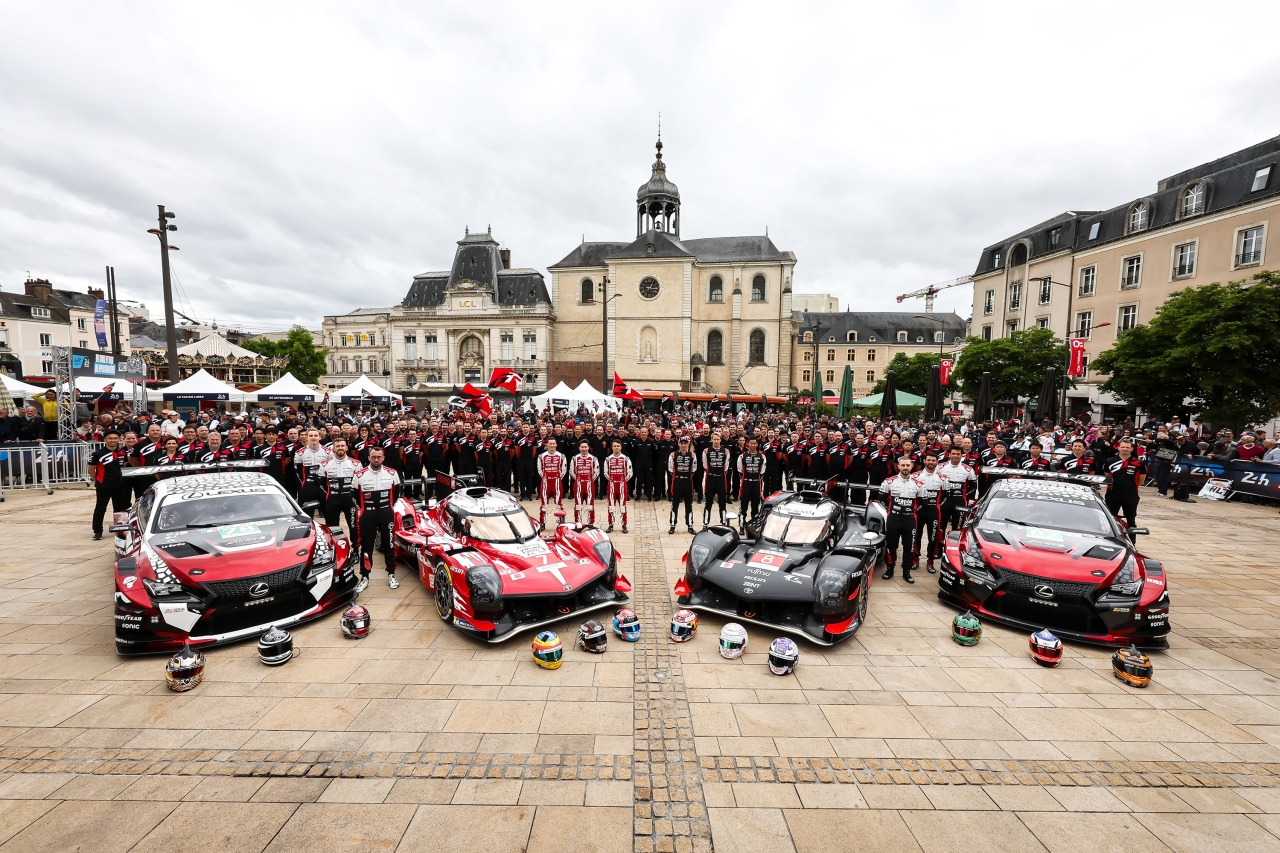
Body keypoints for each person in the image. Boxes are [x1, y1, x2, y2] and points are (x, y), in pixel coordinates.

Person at [352, 446, 401, 592]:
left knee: (390, 545)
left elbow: (397, 492)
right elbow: (354, 495)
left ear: (383, 458)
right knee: (366, 546)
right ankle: (365, 576)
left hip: (387, 513)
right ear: (368, 458)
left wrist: (390, 507)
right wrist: (362, 510)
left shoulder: (392, 473)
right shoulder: (359, 475)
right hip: (368, 515)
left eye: (379, 457)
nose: (376, 459)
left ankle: (391, 574)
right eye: (373, 457)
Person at [879, 456, 922, 584]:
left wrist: (911, 512)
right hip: (893, 519)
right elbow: (881, 498)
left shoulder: (918, 484)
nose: (905, 468)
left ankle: (906, 571)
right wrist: (890, 511)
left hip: (910, 520)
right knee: (891, 545)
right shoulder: (889, 481)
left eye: (907, 465)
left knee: (909, 547)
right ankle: (890, 569)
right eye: (902, 465)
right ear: (898, 466)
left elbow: (922, 502)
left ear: (911, 466)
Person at [88, 430, 131, 540]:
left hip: (120, 485)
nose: (113, 440)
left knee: (120, 508)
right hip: (104, 485)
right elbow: (91, 469)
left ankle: (121, 530)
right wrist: (97, 480)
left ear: (119, 439)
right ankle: (97, 531)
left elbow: (124, 466)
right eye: (110, 438)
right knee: (100, 508)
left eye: (115, 438)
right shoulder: (97, 454)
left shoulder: (122, 453)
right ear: (105, 439)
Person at [912, 451, 943, 574]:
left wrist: (938, 508)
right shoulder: (915, 476)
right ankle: (915, 558)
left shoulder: (942, 478)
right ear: (924, 461)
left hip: (934, 512)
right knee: (916, 535)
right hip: (919, 512)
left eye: (933, 460)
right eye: (928, 460)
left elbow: (946, 495)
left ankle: (930, 561)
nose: (930, 462)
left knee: (933, 537)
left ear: (937, 462)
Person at [321, 438, 360, 537]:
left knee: (354, 525)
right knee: (332, 526)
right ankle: (335, 548)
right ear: (333, 448)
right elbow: (321, 483)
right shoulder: (324, 464)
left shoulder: (356, 463)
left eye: (342, 446)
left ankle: (355, 549)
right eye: (337, 446)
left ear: (346, 448)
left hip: (350, 499)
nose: (340, 448)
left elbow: (359, 485)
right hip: (332, 499)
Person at [1104, 439, 1146, 529]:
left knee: (1130, 519)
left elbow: (1141, 480)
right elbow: (1107, 477)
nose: (1125, 449)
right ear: (1118, 448)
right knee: (1109, 518)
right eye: (1123, 447)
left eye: (1127, 447)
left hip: (1130, 494)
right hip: (1113, 494)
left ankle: (1131, 542)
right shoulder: (1109, 461)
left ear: (1131, 449)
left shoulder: (1139, 463)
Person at [937, 446, 977, 535]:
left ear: (961, 455)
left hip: (960, 502)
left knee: (958, 528)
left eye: (958, 454)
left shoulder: (968, 469)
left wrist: (966, 497)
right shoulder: (940, 467)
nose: (955, 456)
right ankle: (939, 548)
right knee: (941, 526)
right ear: (949, 455)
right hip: (944, 501)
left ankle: (955, 548)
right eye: (953, 454)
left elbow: (974, 486)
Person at [668, 435, 697, 535]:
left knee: (689, 505)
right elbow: (671, 469)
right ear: (679, 444)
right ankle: (672, 525)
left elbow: (694, 469)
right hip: (676, 482)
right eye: (682, 443)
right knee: (674, 505)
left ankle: (690, 526)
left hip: (688, 482)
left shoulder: (692, 455)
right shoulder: (673, 455)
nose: (683, 445)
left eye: (685, 443)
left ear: (688, 444)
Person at [701, 432, 730, 528]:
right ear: (711, 440)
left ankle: (723, 523)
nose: (716, 441)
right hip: (710, 479)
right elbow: (705, 465)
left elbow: (726, 466)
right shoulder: (706, 451)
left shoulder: (726, 451)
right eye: (714, 439)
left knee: (722, 503)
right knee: (708, 503)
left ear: (720, 440)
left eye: (718, 439)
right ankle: (705, 524)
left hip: (721, 479)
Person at [537, 436, 567, 528]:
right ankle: (543, 523)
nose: (552, 445)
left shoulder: (561, 456)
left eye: (553, 443)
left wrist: (556, 478)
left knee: (559, 503)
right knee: (544, 503)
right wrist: (546, 477)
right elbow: (539, 470)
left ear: (556, 445)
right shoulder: (541, 456)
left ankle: (560, 522)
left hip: (557, 482)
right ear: (547, 445)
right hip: (545, 482)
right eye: (550, 443)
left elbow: (564, 470)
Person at [738, 436, 766, 532]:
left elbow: (762, 473)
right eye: (751, 443)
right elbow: (739, 471)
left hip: (756, 484)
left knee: (755, 506)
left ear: (757, 444)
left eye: (755, 443)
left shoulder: (762, 457)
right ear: (748, 444)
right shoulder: (742, 456)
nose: (753, 445)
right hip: (745, 483)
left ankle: (753, 527)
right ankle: (742, 525)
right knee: (743, 506)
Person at [604, 439, 633, 533]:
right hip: (611, 485)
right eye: (614, 446)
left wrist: (622, 481)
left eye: (618, 446)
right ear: (612, 447)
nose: (616, 448)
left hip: (622, 485)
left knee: (623, 506)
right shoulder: (608, 459)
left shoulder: (626, 459)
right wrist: (612, 480)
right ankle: (610, 525)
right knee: (611, 506)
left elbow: (630, 473)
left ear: (621, 447)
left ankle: (624, 525)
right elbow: (605, 472)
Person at [571, 439, 599, 526]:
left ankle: (590, 523)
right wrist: (579, 479)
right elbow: (572, 471)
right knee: (578, 505)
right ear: (579, 448)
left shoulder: (593, 458)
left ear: (588, 447)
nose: (584, 449)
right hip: (578, 484)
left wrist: (589, 480)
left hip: (589, 484)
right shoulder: (574, 458)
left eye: (585, 447)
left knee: (590, 505)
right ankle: (578, 524)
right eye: (582, 447)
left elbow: (596, 472)